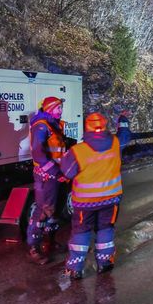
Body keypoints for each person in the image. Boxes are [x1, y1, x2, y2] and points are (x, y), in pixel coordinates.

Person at [59, 113, 123, 280]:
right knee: (106, 229)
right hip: (111, 199)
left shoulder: (78, 151)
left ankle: (75, 268)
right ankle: (105, 262)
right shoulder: (115, 143)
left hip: (85, 203)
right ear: (105, 125)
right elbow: (125, 135)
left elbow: (67, 172)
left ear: (86, 128)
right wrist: (123, 120)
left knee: (81, 231)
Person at [26, 96, 70, 265]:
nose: (61, 111)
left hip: (59, 173)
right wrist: (53, 171)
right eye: (58, 108)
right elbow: (38, 153)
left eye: (61, 108)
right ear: (50, 109)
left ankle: (50, 242)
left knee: (56, 209)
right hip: (47, 175)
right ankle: (34, 247)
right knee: (44, 209)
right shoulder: (41, 126)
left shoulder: (54, 124)